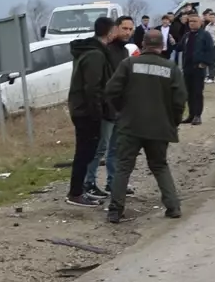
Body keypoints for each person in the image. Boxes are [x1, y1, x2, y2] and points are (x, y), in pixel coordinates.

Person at [105, 30, 187, 224]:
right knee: (159, 166)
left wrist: (121, 111)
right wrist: (173, 121)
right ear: (162, 46)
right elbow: (179, 100)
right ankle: (173, 207)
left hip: (130, 125)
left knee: (123, 167)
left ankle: (115, 211)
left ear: (143, 44)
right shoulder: (171, 68)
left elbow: (110, 90)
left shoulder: (128, 64)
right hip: (159, 127)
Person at [66, 16, 118, 208]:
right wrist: (97, 114)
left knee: (87, 152)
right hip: (86, 112)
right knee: (85, 152)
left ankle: (80, 190)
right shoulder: (95, 54)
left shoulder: (90, 51)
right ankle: (76, 193)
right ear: (110, 32)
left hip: (82, 109)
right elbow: (93, 87)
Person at [83, 16, 137, 200]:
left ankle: (113, 182)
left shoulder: (124, 51)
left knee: (116, 148)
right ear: (115, 29)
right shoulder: (104, 51)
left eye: (131, 29)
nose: (127, 32)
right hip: (106, 108)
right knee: (100, 148)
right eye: (124, 28)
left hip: (119, 108)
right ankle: (88, 183)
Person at [180, 14, 215, 124]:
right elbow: (180, 47)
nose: (192, 23)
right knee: (188, 92)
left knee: (197, 92)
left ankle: (197, 115)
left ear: (200, 23)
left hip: (198, 68)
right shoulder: (186, 36)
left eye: (194, 21)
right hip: (187, 68)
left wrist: (205, 63)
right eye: (190, 21)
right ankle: (191, 115)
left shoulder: (205, 35)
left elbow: (210, 50)